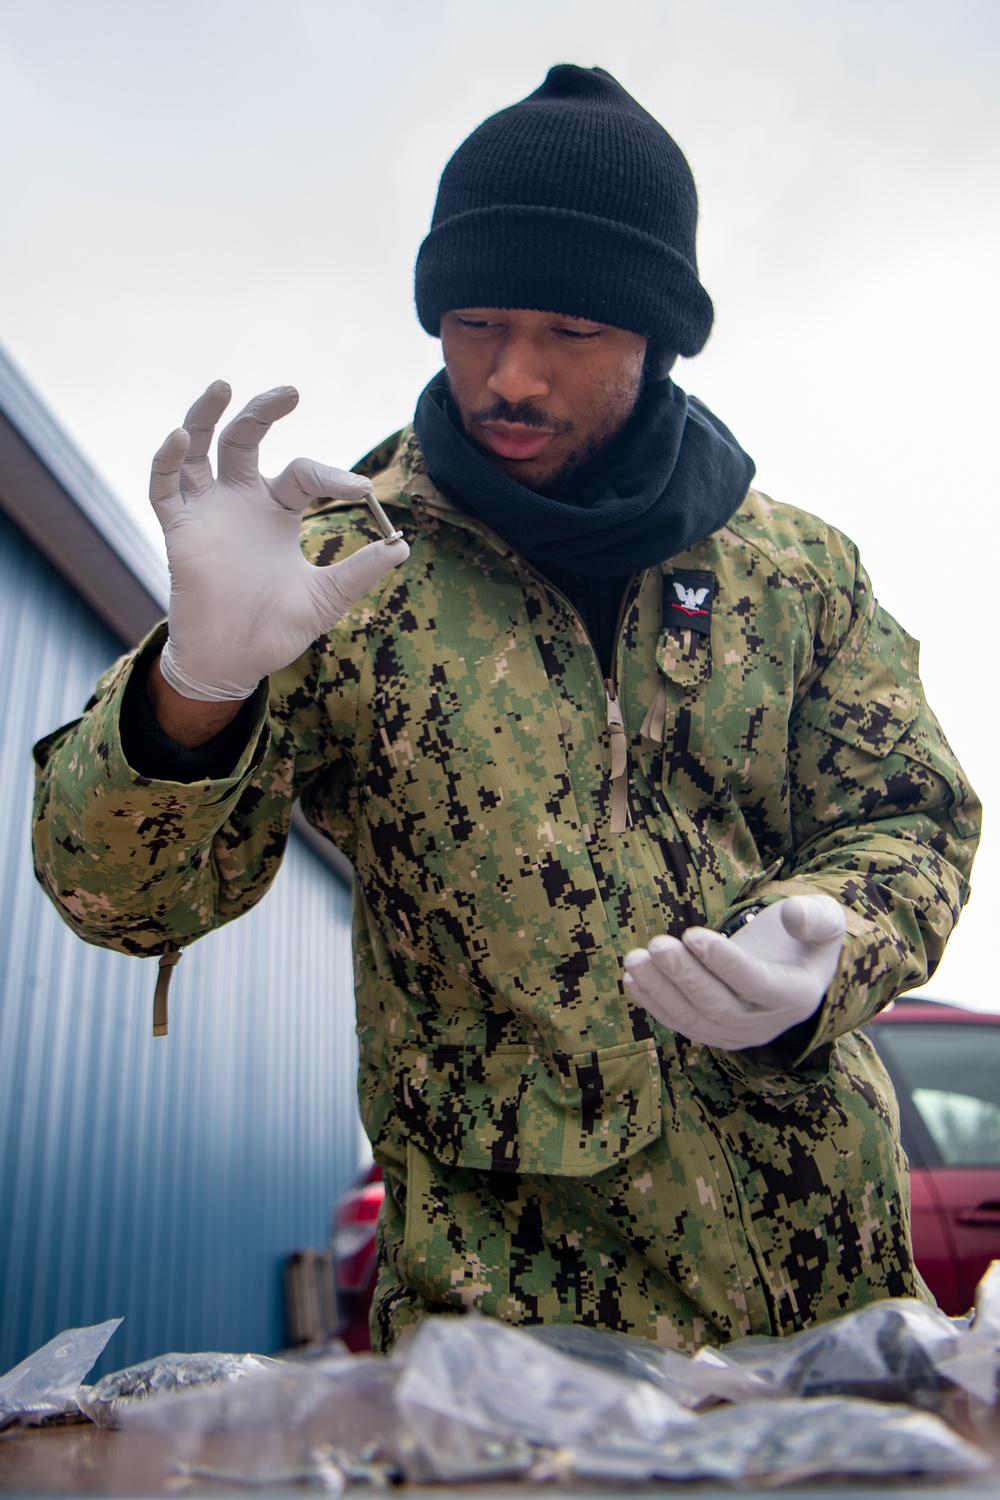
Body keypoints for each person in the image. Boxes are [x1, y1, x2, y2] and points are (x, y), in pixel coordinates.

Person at [33, 64, 979, 1353]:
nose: (511, 377)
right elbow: (120, 901)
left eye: (572, 334)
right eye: (475, 322)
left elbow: (912, 818)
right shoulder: (336, 564)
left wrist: (826, 954)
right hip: (514, 1340)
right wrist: (195, 690)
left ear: (658, 337)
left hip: (831, 1290)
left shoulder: (795, 573)